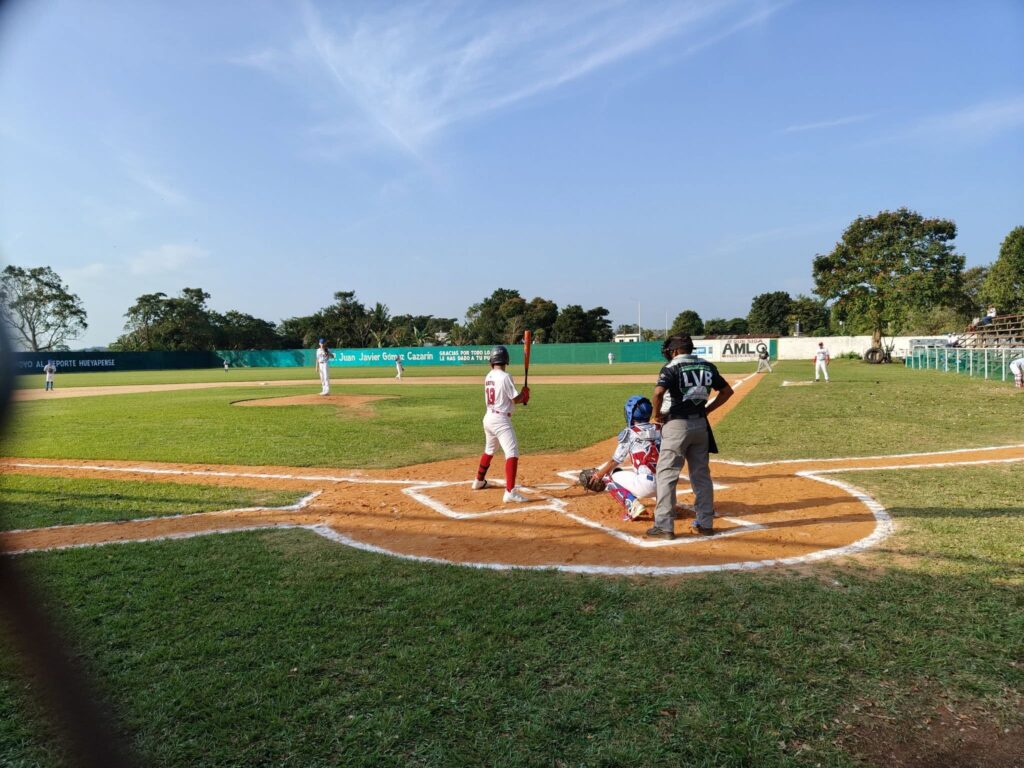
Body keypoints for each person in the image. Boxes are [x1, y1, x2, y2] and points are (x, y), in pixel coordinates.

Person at [648, 334, 733, 538]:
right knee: (701, 476)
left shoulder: (672, 367)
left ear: (676, 351)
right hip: (700, 426)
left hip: (676, 425)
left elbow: (658, 393)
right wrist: (708, 410)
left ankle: (664, 526)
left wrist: (655, 415)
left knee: (667, 475)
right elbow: (727, 391)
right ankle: (705, 523)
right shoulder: (707, 366)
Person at [470, 345, 531, 503]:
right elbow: (513, 399)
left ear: (492, 362)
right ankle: (510, 492)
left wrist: (523, 395)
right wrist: (524, 395)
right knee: (512, 452)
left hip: (488, 418)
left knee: (490, 450)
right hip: (501, 420)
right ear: (506, 361)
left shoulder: (488, 376)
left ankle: (479, 481)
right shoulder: (505, 376)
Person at [589, 396, 661, 521]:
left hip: (645, 486)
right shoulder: (660, 428)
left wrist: (598, 475)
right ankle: (666, 508)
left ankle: (633, 506)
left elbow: (614, 461)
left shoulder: (630, 433)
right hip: (666, 484)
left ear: (631, 414)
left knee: (608, 475)